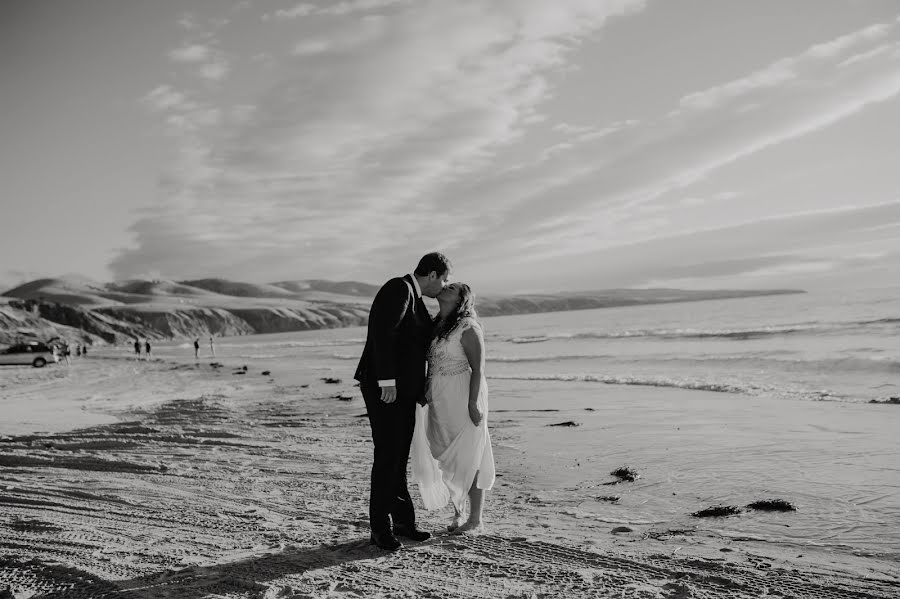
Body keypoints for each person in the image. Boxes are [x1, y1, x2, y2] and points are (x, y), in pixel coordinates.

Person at [354, 252, 452, 551]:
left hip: (402, 392)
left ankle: (404, 523)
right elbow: (383, 334)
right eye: (444, 279)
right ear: (433, 274)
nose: (444, 285)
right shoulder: (398, 288)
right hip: (386, 390)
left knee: (397, 458)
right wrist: (387, 381)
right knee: (387, 457)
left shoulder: (413, 296)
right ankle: (380, 529)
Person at [411, 283, 495, 534]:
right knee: (442, 452)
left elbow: (478, 369)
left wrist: (472, 404)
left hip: (461, 394)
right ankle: (459, 512)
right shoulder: (436, 325)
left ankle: (475, 519)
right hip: (438, 395)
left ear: (461, 298)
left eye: (453, 288)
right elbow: (431, 364)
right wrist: (426, 389)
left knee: (468, 453)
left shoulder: (468, 326)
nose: (445, 287)